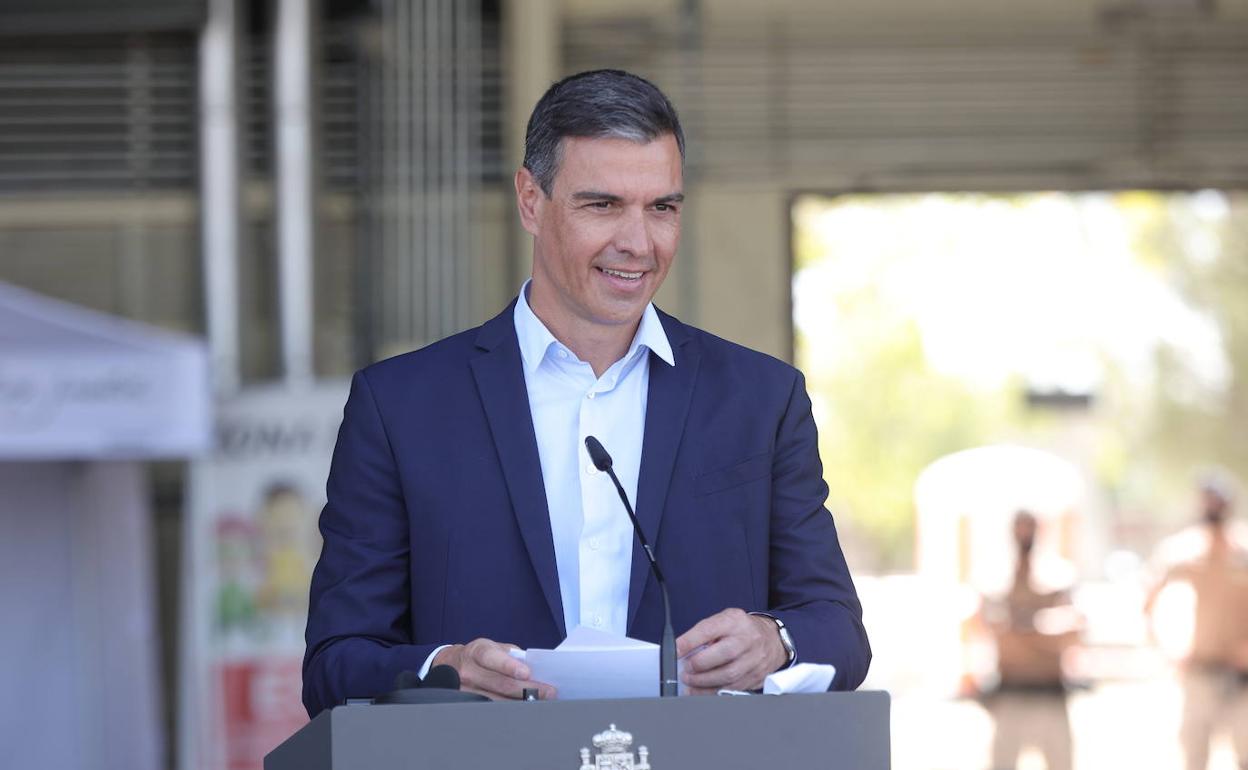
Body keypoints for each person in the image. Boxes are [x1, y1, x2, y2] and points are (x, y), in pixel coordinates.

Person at [301, 69, 870, 716]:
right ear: (530, 201)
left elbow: (839, 632)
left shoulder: (762, 400)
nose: (638, 242)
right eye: (602, 205)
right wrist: (442, 669)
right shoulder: (401, 407)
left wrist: (775, 641)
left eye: (663, 208)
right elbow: (334, 664)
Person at [1144, 477, 1248, 770]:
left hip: (1242, 677)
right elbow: (1150, 599)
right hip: (1201, 670)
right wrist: (1167, 648)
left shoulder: (1244, 549)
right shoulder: (1184, 550)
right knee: (1195, 756)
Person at [979, 510, 1081, 770]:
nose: (1025, 534)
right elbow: (993, 628)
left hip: (1051, 694)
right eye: (1020, 528)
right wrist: (1036, 632)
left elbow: (1072, 631)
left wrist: (1025, 626)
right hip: (1010, 694)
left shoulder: (1058, 574)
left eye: (1030, 528)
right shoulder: (996, 578)